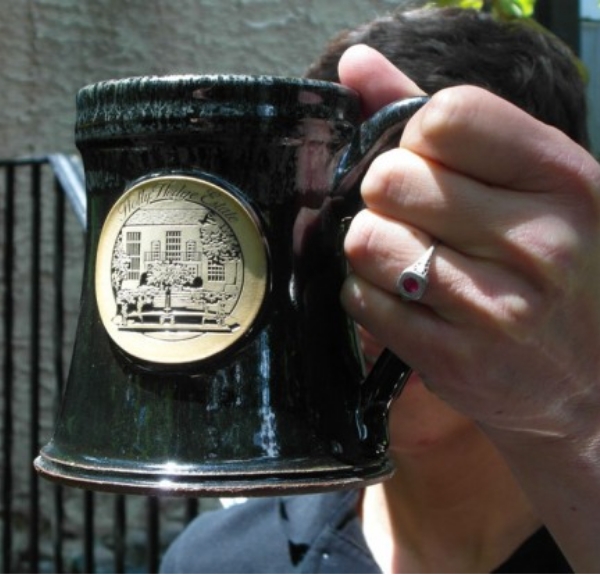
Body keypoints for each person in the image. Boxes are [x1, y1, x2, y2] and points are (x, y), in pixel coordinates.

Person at [161, 7, 600, 573]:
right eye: (332, 226)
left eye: (439, 226)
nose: (377, 284)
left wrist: (579, 422)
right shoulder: (215, 560)